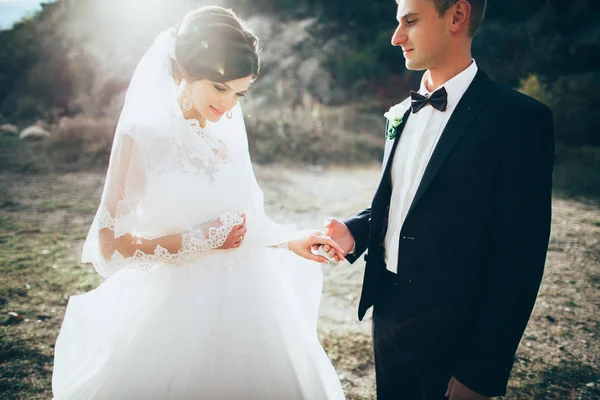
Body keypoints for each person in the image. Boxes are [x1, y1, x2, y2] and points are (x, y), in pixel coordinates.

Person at [52, 6, 346, 399]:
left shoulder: (223, 135)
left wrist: (291, 240)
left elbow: (242, 222)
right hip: (175, 312)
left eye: (240, 93)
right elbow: (110, 247)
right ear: (183, 72)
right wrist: (196, 240)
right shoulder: (141, 138)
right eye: (220, 88)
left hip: (250, 307)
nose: (228, 105)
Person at [322, 0, 554, 398]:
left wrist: (481, 372)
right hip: (389, 317)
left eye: (410, 22)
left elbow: (521, 261)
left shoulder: (518, 121)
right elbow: (405, 198)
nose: (396, 37)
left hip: (457, 332)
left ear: (457, 16)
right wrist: (356, 231)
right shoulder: (401, 112)